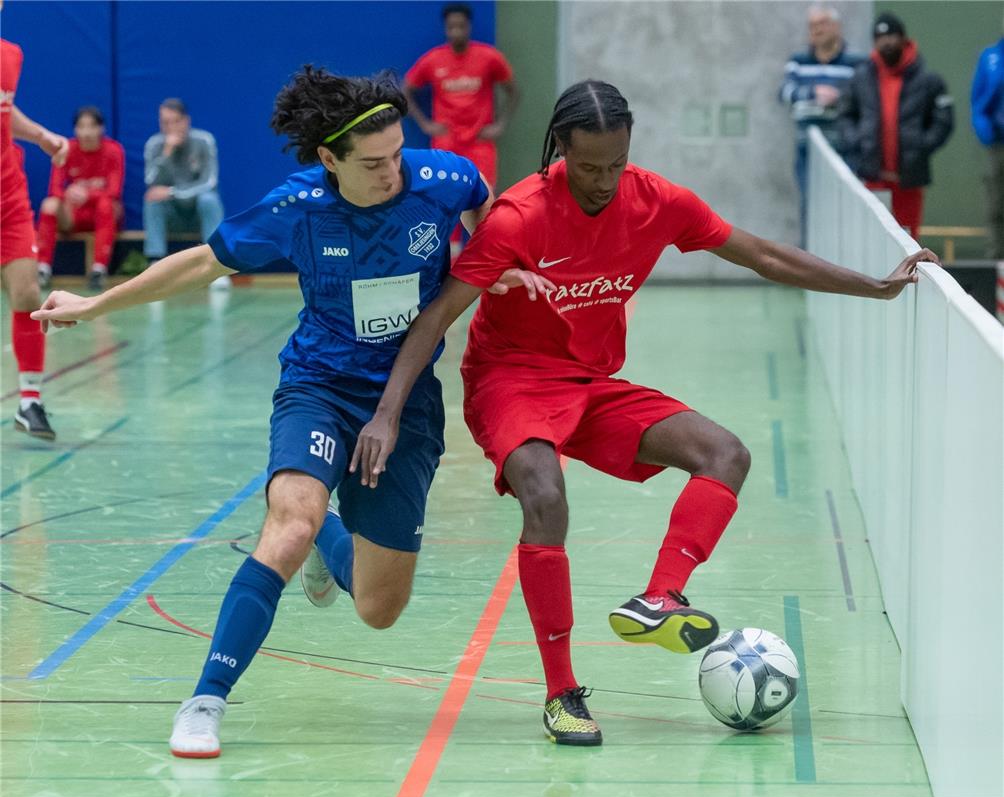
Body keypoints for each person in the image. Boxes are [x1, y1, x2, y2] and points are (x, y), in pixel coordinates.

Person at [350, 80, 940, 747]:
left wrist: (875, 286)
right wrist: (385, 414)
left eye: (616, 165)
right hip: (508, 380)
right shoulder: (518, 216)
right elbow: (438, 316)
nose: (603, 181)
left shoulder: (657, 202)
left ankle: (662, 596)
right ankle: (561, 695)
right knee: (545, 494)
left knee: (726, 454)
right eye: (589, 166)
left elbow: (764, 254)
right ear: (560, 150)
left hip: (591, 382)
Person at [32, 66, 547, 759]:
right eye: (373, 163)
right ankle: (204, 700)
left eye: (397, 154)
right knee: (288, 520)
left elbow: (484, 201)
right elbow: (199, 265)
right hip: (320, 386)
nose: (392, 171)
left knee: (378, 609)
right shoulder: (296, 206)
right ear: (329, 160)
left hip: (406, 400)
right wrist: (93, 304)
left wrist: (495, 260)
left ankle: (330, 540)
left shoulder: (441, 179)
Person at [1, 35, 68, 440]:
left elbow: (5, 112)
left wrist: (41, 136)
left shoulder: (11, 54)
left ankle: (29, 401)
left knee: (27, 294)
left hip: (8, 195)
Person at [837, 13, 954, 240]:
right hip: (873, 176)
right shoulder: (861, 77)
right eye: (880, 37)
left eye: (892, 35)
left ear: (903, 39)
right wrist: (857, 141)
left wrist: (921, 146)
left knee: (908, 240)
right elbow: (845, 115)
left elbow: (943, 121)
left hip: (908, 179)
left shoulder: (928, 80)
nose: (887, 42)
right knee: (871, 238)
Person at [404, 3, 518, 192]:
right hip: (446, 142)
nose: (456, 32)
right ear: (445, 28)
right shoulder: (433, 60)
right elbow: (406, 90)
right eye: (451, 27)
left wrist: (500, 124)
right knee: (444, 196)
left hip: (479, 142)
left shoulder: (489, 57)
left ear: (469, 26)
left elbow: (513, 91)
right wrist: (425, 124)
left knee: (484, 198)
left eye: (461, 26)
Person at [779, 5, 862, 245]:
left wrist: (838, 96)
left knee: (846, 202)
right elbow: (784, 92)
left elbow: (863, 96)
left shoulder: (855, 63)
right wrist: (811, 92)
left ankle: (843, 256)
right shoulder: (798, 61)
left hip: (843, 143)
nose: (817, 30)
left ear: (836, 27)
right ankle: (811, 259)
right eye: (812, 25)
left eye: (822, 24)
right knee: (810, 201)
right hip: (808, 144)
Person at [36, 106, 125, 291]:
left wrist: (88, 193)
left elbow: (114, 191)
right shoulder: (66, 149)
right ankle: (42, 269)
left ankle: (98, 270)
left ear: (101, 129)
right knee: (49, 205)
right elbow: (54, 188)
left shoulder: (114, 150)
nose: (87, 132)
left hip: (102, 214)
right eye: (81, 126)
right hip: (72, 216)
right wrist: (68, 194)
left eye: (92, 126)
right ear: (75, 129)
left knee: (106, 204)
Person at [143, 98, 225, 267]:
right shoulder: (154, 144)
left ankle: (216, 261)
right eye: (165, 122)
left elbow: (210, 182)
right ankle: (155, 262)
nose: (171, 127)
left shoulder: (204, 140)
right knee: (152, 200)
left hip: (197, 211)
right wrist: (166, 153)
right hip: (172, 214)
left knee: (209, 199)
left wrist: (173, 192)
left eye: (176, 121)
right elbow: (151, 181)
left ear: (186, 121)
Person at [971, 29, 1004, 258]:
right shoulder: (991, 57)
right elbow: (979, 103)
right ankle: (999, 262)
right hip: (998, 145)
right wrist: (987, 134)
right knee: (997, 206)